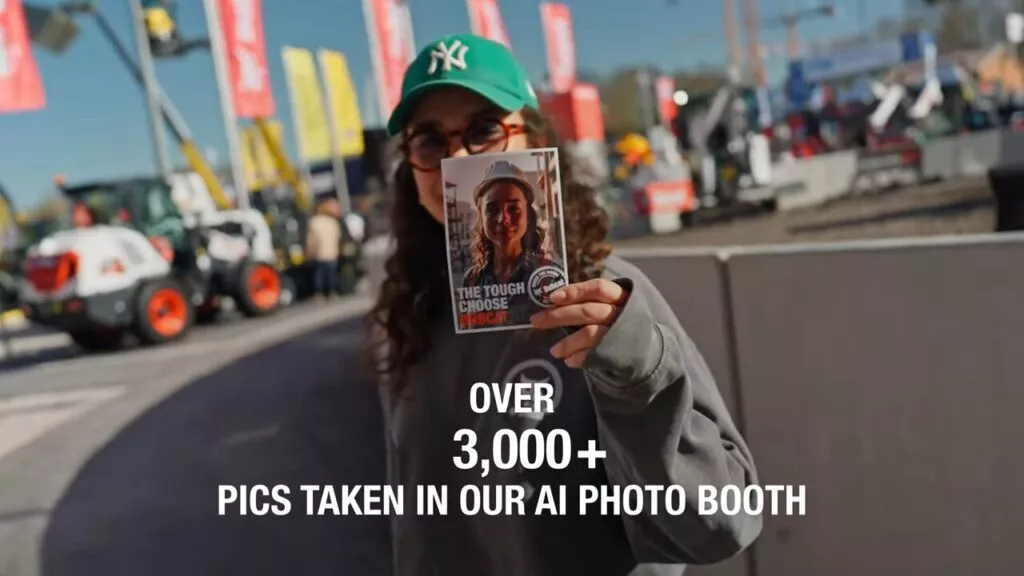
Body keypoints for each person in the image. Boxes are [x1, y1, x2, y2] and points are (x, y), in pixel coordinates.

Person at [366, 34, 761, 576]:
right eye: (428, 140)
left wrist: (637, 373)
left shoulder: (610, 298)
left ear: (533, 142)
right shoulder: (412, 315)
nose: (456, 157)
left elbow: (723, 524)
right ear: (409, 167)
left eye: (483, 130)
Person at [463, 159, 551, 288]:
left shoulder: (548, 274)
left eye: (513, 208)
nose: (503, 219)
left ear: (528, 215)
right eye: (492, 209)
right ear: (482, 218)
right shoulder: (472, 281)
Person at [305, 197, 342, 300]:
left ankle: (319, 293)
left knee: (319, 275)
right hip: (332, 252)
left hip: (320, 253)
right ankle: (332, 292)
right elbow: (337, 236)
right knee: (331, 274)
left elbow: (311, 240)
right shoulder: (332, 221)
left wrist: (309, 253)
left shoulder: (314, 222)